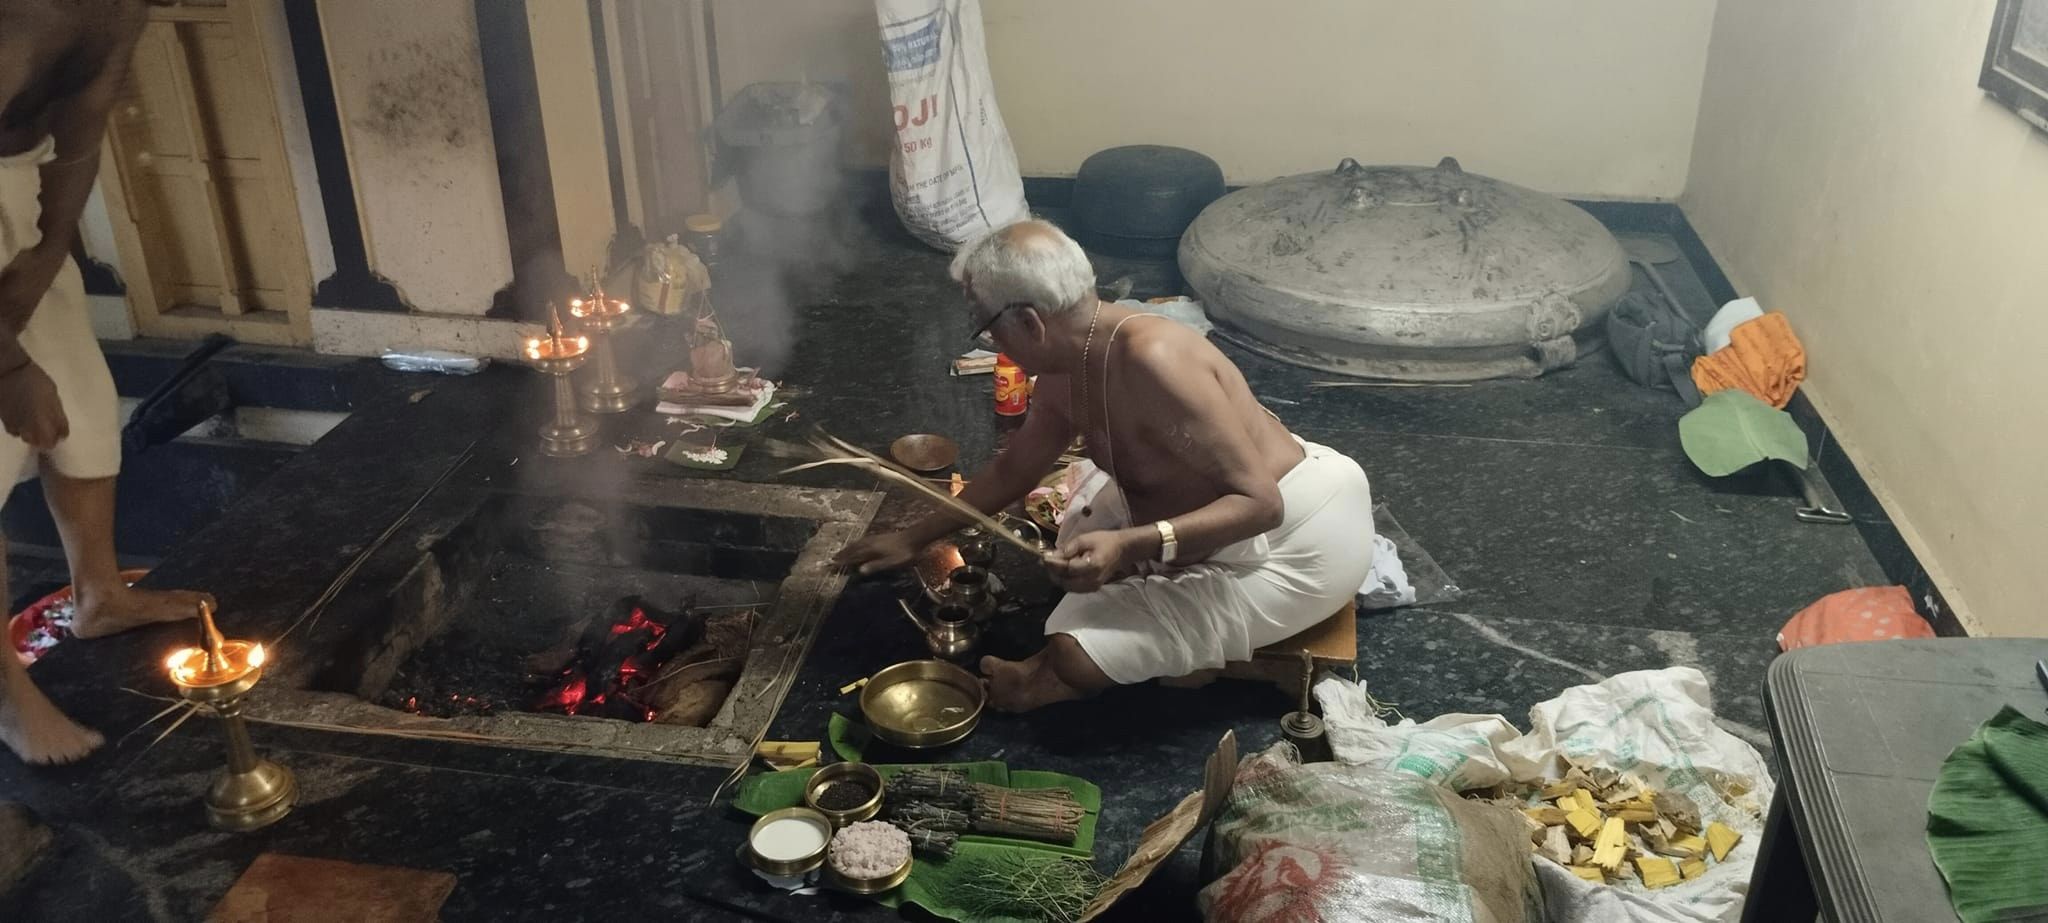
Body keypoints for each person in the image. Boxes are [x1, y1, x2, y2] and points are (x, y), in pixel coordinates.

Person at [836, 220, 1375, 712]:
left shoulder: (1156, 360)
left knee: (1074, 650)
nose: (990, 342)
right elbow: (1013, 471)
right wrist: (914, 539)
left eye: (986, 327)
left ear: (1029, 322)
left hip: (1294, 537)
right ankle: (1174, 643)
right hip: (1200, 517)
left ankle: (1081, 672)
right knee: (1077, 546)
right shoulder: (1067, 366)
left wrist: (1131, 544)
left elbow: (1262, 504)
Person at [1, 0, 208, 765]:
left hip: (17, 201)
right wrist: (11, 367)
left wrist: (48, 252)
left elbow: (81, 130)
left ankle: (99, 595)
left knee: (85, 408)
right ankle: (7, 696)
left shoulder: (116, 8)